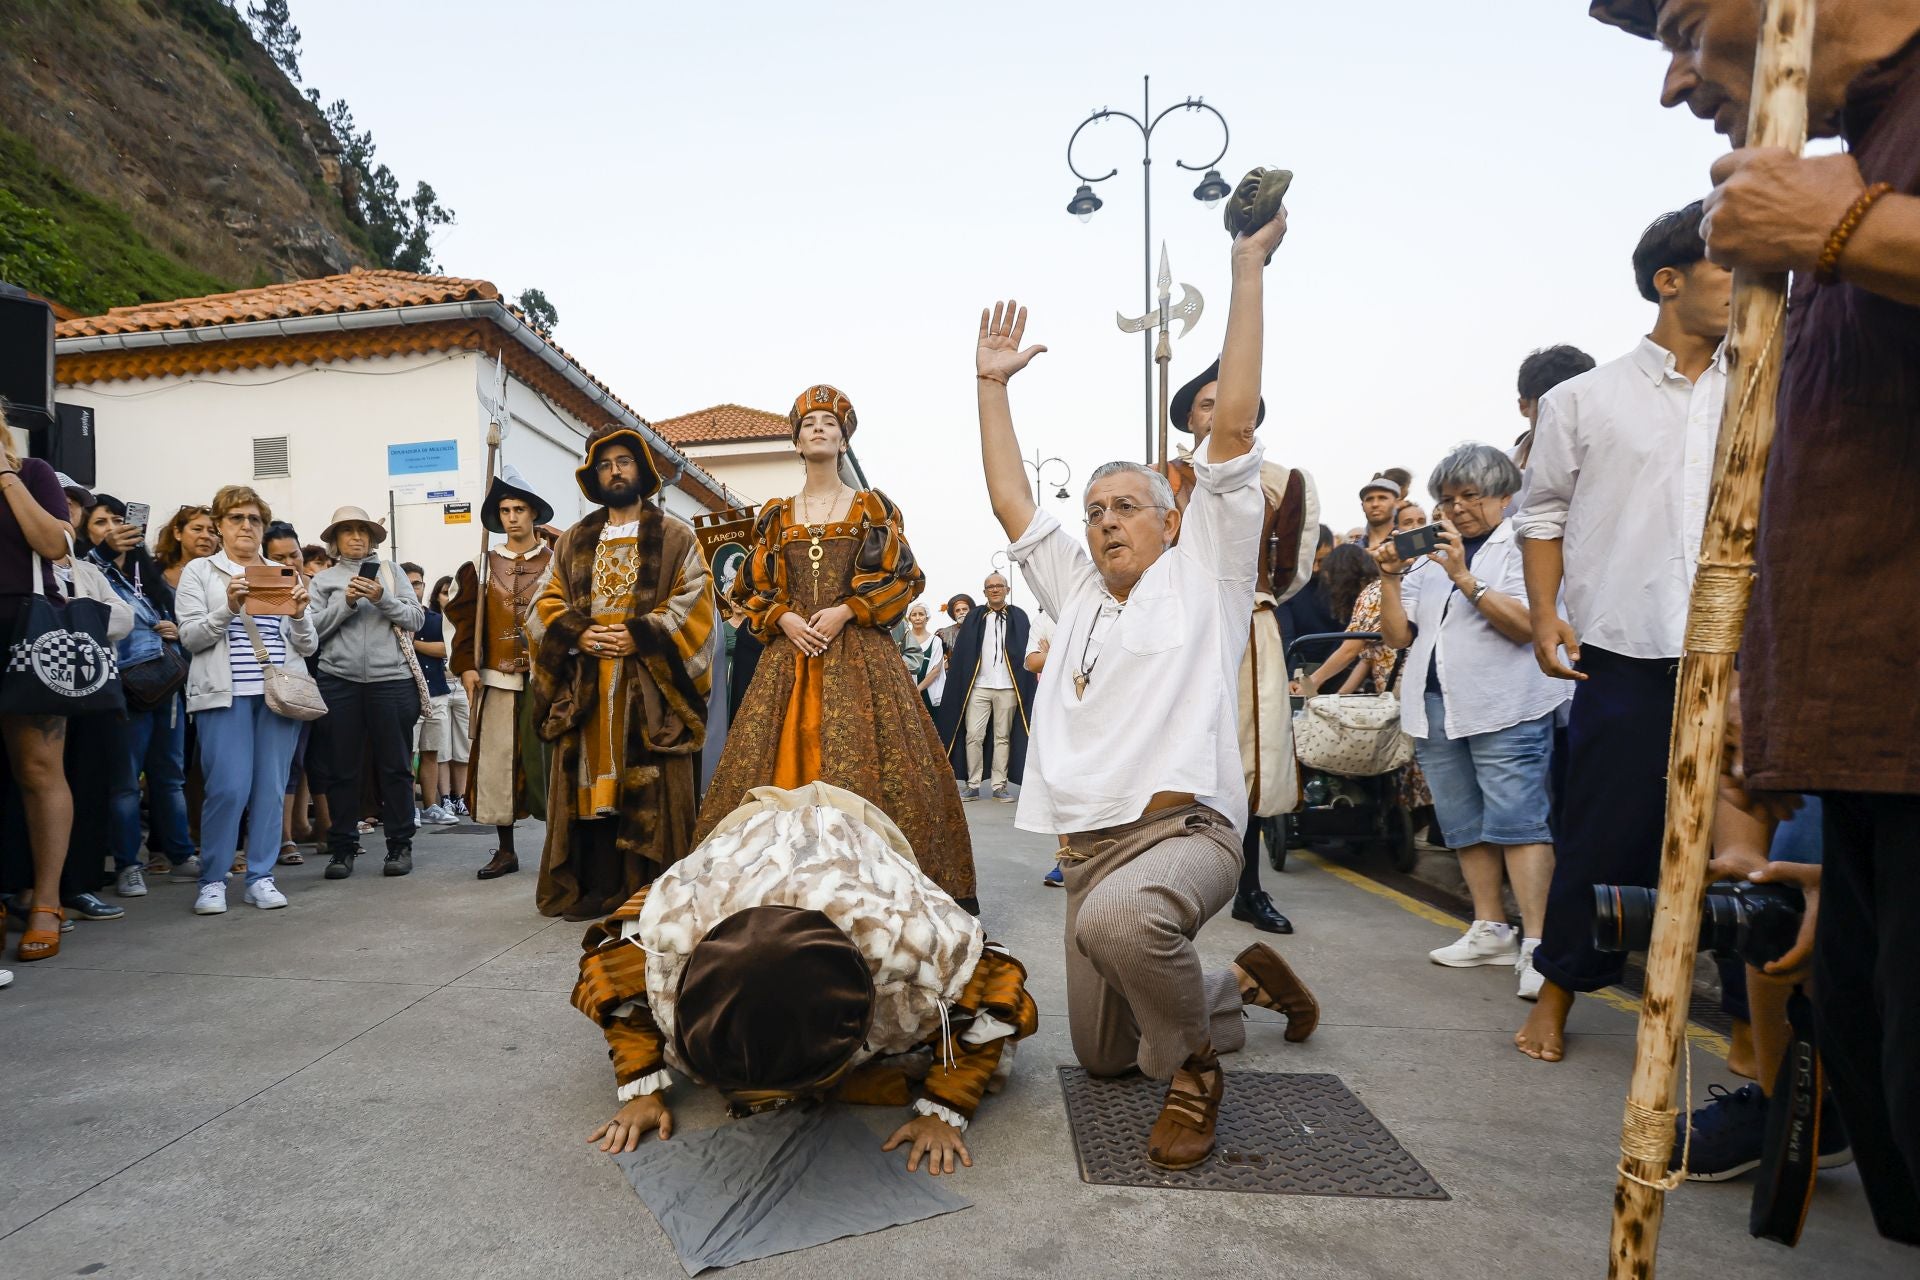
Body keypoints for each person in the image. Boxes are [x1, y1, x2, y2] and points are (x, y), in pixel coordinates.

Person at [1595, 0, 1920, 1244]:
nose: (1676, 84)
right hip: (1878, 758)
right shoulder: (1868, 147)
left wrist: (1846, 224)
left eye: (1681, 25)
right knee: (1888, 1101)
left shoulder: (1850, 194)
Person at [974, 194, 1321, 1171]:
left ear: (1172, 517)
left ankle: (1200, 1067)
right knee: (1101, 1057)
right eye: (1093, 509)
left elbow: (1235, 422)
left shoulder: (1204, 562)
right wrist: (991, 387)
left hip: (1190, 828)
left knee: (1130, 924)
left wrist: (1248, 267)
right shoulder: (1076, 584)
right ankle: (1239, 985)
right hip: (1093, 848)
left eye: (1128, 503)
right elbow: (1010, 500)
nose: (1108, 519)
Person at [1514, 201, 1731, 1063]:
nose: (1746, 290)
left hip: (1744, 657)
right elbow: (1542, 516)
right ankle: (1558, 993)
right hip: (1626, 652)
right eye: (1728, 271)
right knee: (1605, 833)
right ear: (1669, 281)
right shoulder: (1582, 399)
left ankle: (1750, 1036)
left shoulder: (1764, 386)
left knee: (1741, 845)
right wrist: (1543, 615)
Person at [574, 783, 1038, 1172]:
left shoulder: (909, 947)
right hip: (746, 835)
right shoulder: (673, 929)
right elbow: (613, 980)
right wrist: (643, 1086)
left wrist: (946, 1107)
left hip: (853, 826)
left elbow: (992, 996)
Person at [696, 387, 977, 910]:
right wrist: (783, 617)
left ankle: (870, 891)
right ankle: (777, 886)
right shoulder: (776, 516)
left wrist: (848, 608)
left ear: (844, 438)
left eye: (830, 422)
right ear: (797, 442)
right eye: (809, 424)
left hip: (861, 657)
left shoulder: (872, 507)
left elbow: (904, 576)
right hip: (789, 656)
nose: (819, 428)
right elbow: (746, 588)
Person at [1372, 445, 1571, 1000]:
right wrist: (1390, 579)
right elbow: (1397, 637)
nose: (1457, 508)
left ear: (1506, 496)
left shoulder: (1527, 546)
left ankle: (1539, 941)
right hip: (1436, 707)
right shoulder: (1428, 557)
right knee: (1464, 821)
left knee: (1520, 821)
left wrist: (1464, 576)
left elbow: (1531, 626)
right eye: (1447, 499)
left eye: (1471, 496)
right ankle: (1490, 927)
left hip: (1506, 703)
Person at [526, 425, 714, 920]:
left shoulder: (677, 536)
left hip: (648, 685)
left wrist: (643, 633)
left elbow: (696, 602)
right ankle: (594, 885)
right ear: (594, 475)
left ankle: (646, 886)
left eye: (624, 461)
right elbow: (543, 601)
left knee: (645, 783)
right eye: (605, 464)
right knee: (588, 784)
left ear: (641, 471)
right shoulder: (573, 540)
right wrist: (576, 634)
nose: (615, 470)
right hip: (586, 682)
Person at [1167, 354, 1321, 936]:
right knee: (1178, 747)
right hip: (1178, 627)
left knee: (1249, 756)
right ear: (1190, 418)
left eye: (1240, 404)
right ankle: (1172, 877)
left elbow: (1291, 569)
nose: (1228, 412)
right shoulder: (1161, 476)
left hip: (1249, 625)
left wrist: (1250, 598)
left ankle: (1249, 887)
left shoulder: (1284, 480)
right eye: (1210, 403)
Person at [174, 485, 316, 915]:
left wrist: (299, 615)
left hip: (278, 694)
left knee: (271, 790)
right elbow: (191, 636)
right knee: (227, 789)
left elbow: (306, 646)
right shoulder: (201, 572)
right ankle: (213, 879)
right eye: (236, 518)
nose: (246, 527)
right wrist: (229, 608)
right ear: (219, 525)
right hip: (224, 694)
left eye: (254, 519)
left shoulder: (280, 571)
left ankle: (261, 876)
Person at [0, 424, 90, 961]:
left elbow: (56, 545)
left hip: (27, 629)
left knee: (38, 769)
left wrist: (6, 477)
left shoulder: (33, 474)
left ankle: (47, 902)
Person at [445, 466, 555, 880]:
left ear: (533, 515)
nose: (512, 516)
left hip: (547, 679)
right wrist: (466, 667)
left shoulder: (558, 562)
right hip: (496, 677)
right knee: (496, 765)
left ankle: (557, 851)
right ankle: (506, 850)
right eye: (505, 509)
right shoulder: (479, 565)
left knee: (548, 763)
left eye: (520, 508)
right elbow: (461, 621)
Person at [83, 494, 194, 896]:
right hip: (122, 686)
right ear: (86, 531)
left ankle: (181, 856)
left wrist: (172, 629)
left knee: (170, 777)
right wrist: (102, 551)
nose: (114, 528)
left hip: (165, 685)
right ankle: (129, 863)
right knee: (126, 782)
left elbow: (174, 620)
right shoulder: (88, 568)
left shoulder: (147, 575)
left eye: (119, 520)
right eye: (101, 522)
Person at [309, 505, 426, 880]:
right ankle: (342, 849)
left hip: (391, 681)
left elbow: (415, 619)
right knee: (342, 769)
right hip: (338, 681)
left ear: (374, 538)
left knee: (395, 768)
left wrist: (381, 598)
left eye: (364, 531)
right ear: (336, 540)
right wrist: (344, 603)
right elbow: (310, 633)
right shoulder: (324, 580)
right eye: (348, 531)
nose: (357, 537)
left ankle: (399, 845)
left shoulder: (391, 574)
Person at [934, 572, 1036, 803]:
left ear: (1007, 590)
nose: (995, 589)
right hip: (979, 687)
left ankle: (1000, 785)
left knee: (1003, 737)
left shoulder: (1019, 617)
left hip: (1008, 687)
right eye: (990, 586)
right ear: (984, 592)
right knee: (973, 735)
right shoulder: (975, 617)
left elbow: (1025, 649)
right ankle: (973, 784)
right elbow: (963, 653)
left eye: (999, 586)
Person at [261, 521, 318, 867]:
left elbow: (310, 643)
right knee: (277, 767)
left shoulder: (313, 586)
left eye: (294, 554)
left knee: (300, 763)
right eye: (278, 557)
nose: (289, 562)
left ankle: (294, 829)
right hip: (268, 685)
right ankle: (280, 838)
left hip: (305, 685)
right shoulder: (264, 588)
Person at [404, 563, 457, 826]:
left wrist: (412, 643)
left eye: (418, 583)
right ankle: (409, 808)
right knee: (407, 753)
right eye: (409, 582)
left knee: (431, 752)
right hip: (407, 694)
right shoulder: (393, 618)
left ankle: (431, 806)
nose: (414, 588)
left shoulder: (436, 619)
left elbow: (447, 648)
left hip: (436, 692)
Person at [1512, 345, 1597, 469]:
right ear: (1524, 406)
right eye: (1547, 406)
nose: (1561, 418)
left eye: (1572, 406)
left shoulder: (1609, 465)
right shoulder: (1492, 475)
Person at [428, 575, 470, 816]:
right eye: (444, 592)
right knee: (442, 746)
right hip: (440, 685)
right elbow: (446, 649)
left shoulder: (465, 620)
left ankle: (461, 796)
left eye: (453, 592)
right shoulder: (430, 620)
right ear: (436, 596)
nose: (448, 597)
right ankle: (445, 797)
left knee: (463, 746)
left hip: (462, 685)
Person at [154, 504, 217, 591]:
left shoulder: (225, 575)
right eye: (197, 529)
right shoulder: (151, 572)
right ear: (178, 533)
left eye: (212, 532)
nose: (206, 536)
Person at [906, 602, 944, 713]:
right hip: (906, 690)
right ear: (909, 618)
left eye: (921, 614)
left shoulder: (935, 641)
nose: (918, 618)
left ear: (926, 618)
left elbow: (936, 670)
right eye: (914, 615)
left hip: (928, 691)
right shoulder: (903, 639)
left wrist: (918, 689)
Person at [1353, 477, 1402, 552]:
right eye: (1369, 499)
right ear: (1362, 506)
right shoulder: (1352, 551)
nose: (1375, 504)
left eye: (1382, 498)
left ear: (1397, 503)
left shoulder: (1410, 541)